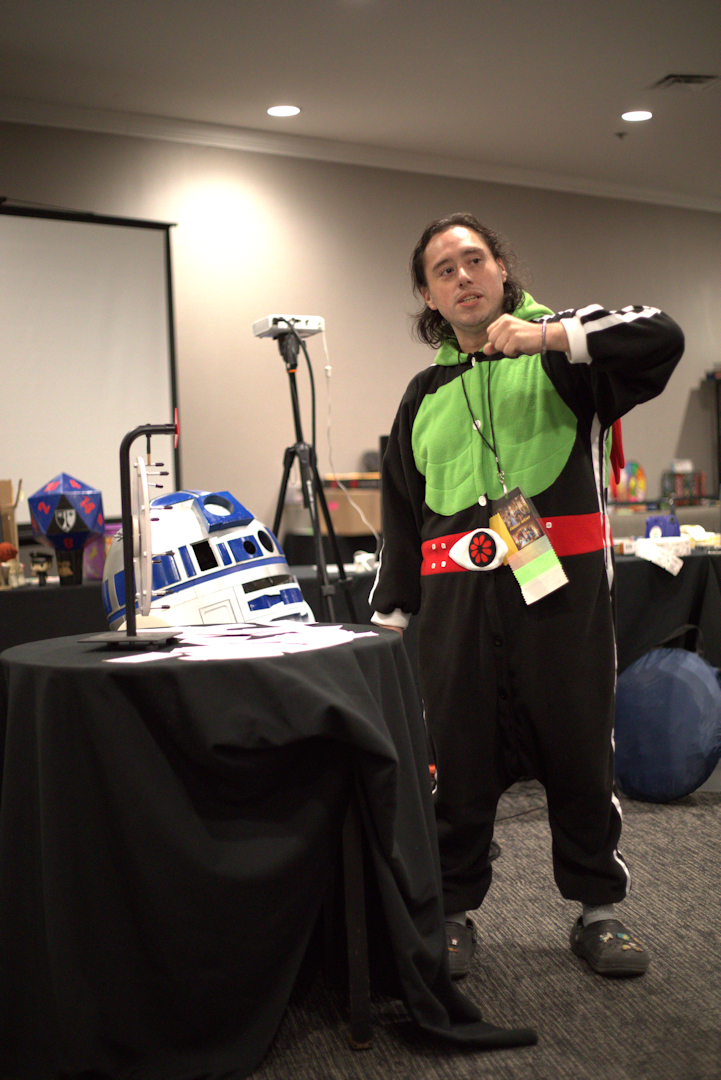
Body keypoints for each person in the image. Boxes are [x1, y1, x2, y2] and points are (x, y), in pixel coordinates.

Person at [369, 213, 684, 980]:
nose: (462, 276)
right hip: (454, 615)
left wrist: (547, 336)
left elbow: (660, 336)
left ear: (501, 269)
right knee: (456, 766)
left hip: (562, 606)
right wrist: (388, 616)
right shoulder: (420, 395)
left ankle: (598, 912)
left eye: (474, 259)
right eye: (443, 270)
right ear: (428, 297)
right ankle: (451, 914)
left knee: (580, 757)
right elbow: (401, 514)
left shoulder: (564, 359)